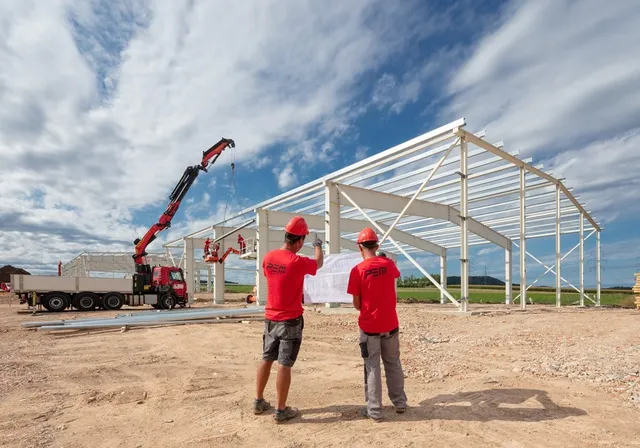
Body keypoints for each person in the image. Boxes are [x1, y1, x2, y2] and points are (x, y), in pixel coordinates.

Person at [253, 216, 324, 423]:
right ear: (300, 240)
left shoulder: (268, 257)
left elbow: (273, 278)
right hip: (290, 321)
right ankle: (281, 410)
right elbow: (318, 263)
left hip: (270, 319)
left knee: (266, 358)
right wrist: (318, 245)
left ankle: (258, 401)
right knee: (284, 364)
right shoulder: (297, 262)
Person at [347, 227, 407, 422]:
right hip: (390, 323)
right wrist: (383, 260)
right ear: (377, 245)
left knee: (372, 367)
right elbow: (394, 273)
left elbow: (356, 304)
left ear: (360, 246)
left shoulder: (357, 271)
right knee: (393, 363)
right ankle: (400, 403)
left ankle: (374, 410)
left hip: (369, 326)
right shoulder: (388, 264)